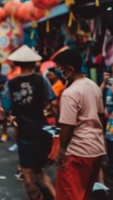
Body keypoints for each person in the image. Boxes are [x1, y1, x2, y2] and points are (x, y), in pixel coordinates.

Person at [3, 45, 58, 199]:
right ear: (34, 63)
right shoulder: (42, 80)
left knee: (27, 171)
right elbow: (53, 103)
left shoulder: (11, 84)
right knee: (39, 170)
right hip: (42, 129)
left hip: (24, 132)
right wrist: (58, 126)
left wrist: (12, 114)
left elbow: (6, 105)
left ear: (18, 64)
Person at [54, 48, 106, 199]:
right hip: (96, 150)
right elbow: (100, 116)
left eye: (60, 69)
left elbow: (67, 127)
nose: (58, 72)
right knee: (85, 194)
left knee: (69, 196)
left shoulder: (70, 93)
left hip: (77, 153)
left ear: (69, 69)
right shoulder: (93, 85)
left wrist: (61, 152)